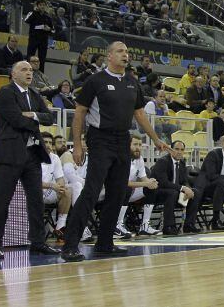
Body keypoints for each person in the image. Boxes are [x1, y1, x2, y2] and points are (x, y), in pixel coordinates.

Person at [60, 42, 171, 262]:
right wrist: (78, 145)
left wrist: (156, 139)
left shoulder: (131, 82)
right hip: (100, 139)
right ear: (109, 56)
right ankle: (70, 244)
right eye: (120, 51)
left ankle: (105, 243)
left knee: (118, 193)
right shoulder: (96, 80)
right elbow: (80, 112)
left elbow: (139, 115)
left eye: (127, 52)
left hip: (123, 140)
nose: (125, 55)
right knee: (91, 191)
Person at [0, 61, 60, 258]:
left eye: (30, 70)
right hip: (9, 154)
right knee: (2, 201)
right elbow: (15, 119)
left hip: (32, 154)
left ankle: (37, 242)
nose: (29, 73)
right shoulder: (6, 92)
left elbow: (49, 118)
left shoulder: (35, 94)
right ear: (13, 74)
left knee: (36, 201)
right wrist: (35, 119)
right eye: (24, 69)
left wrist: (34, 114)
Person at [116, 135, 177, 237]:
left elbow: (144, 179)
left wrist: (151, 182)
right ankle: (117, 225)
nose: (138, 147)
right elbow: (123, 182)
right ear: (127, 145)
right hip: (113, 192)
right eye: (135, 144)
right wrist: (146, 183)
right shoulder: (121, 158)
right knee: (125, 188)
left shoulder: (139, 158)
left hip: (129, 193)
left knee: (151, 187)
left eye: (140, 145)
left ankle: (145, 225)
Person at [150, 139, 199, 235]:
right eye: (176, 149)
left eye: (182, 149)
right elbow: (164, 183)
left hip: (175, 192)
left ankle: (189, 225)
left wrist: (188, 189)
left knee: (195, 192)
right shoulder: (163, 162)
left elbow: (184, 180)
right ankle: (169, 226)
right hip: (158, 192)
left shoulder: (182, 162)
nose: (179, 152)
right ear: (170, 149)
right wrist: (182, 188)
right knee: (172, 193)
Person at [40, 133, 73, 241]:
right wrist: (51, 185)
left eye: (50, 143)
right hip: (33, 193)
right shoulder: (31, 156)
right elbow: (32, 183)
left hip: (49, 191)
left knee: (67, 190)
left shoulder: (54, 158)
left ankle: (60, 226)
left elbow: (60, 179)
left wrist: (60, 186)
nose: (48, 145)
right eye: (45, 142)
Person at [24, 0, 53, 72]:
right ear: (37, 6)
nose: (42, 6)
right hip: (33, 38)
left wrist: (49, 29)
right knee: (30, 56)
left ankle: (41, 74)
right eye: (40, 5)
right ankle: (27, 71)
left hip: (43, 40)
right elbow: (26, 20)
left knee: (42, 58)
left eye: (44, 5)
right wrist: (34, 11)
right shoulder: (33, 13)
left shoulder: (48, 16)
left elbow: (53, 30)